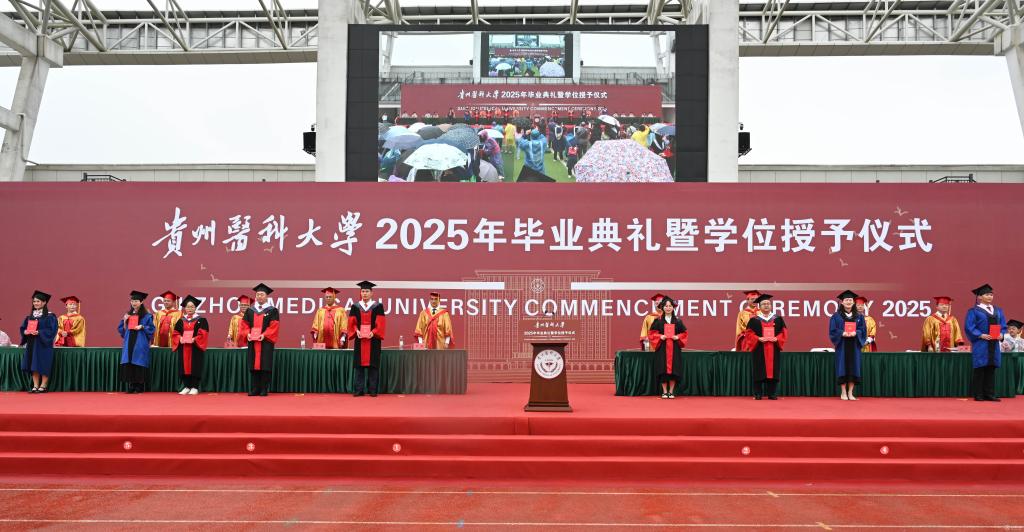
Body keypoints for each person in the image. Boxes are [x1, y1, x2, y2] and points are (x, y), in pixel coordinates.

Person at [964, 284, 1007, 402]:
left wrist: (1002, 334)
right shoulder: (974, 311)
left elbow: (1003, 326)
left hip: (994, 343)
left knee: (991, 368)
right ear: (979, 297)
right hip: (981, 343)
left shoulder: (998, 311)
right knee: (980, 368)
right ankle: (978, 394)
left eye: (991, 295)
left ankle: (990, 394)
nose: (990, 297)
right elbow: (969, 327)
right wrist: (980, 335)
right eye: (987, 294)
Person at [741, 294, 788, 400]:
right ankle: (758, 393)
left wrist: (777, 339)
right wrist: (758, 338)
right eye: (764, 304)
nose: (766, 305)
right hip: (759, 348)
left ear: (771, 306)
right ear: (759, 306)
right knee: (759, 370)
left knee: (773, 371)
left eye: (768, 304)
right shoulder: (754, 320)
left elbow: (783, 332)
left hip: (774, 348)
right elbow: (748, 334)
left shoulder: (778, 319)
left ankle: (772, 393)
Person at [239, 283, 279, 397]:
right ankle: (255, 388)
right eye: (258, 294)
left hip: (266, 342)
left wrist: (264, 335)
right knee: (253, 365)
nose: (259, 296)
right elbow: (244, 325)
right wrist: (247, 334)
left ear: (267, 296)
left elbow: (274, 326)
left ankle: (264, 389)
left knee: (265, 365)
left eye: (262, 294)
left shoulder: (272, 311)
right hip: (253, 341)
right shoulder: (250, 310)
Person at [348, 281, 386, 397]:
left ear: (371, 293)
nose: (364, 293)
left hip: (373, 340)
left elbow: (381, 323)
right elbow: (352, 323)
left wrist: (373, 332)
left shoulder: (378, 306)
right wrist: (356, 331)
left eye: (367, 291)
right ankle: (358, 390)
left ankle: (372, 390)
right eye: (363, 291)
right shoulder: (355, 306)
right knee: (359, 366)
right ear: (360, 292)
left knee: (373, 365)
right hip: (360, 339)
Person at [829, 290, 868, 401]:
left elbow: (863, 330)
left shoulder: (859, 316)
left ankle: (850, 392)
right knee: (842, 368)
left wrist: (857, 333)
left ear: (853, 302)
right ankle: (843, 392)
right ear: (842, 302)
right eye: (846, 300)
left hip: (854, 346)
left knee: (853, 368)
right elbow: (832, 331)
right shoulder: (836, 316)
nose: (848, 302)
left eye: (850, 300)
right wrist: (842, 333)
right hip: (842, 346)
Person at [647, 296, 688, 399]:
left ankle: (671, 391)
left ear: (673, 307)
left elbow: (684, 333)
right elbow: (651, 334)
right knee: (662, 369)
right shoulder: (658, 321)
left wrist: (677, 337)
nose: (668, 308)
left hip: (674, 348)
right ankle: (665, 392)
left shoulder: (678, 321)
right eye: (666, 306)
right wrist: (660, 336)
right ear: (662, 307)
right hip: (662, 348)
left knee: (674, 370)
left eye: (670, 306)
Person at [19, 290, 58, 393]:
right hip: (32, 343)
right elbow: (23, 328)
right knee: (33, 363)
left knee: (44, 363)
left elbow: (52, 330)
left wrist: (39, 332)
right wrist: (25, 332)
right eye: (34, 301)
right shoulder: (30, 316)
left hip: (44, 344)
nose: (35, 303)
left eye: (38, 301)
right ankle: (35, 385)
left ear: (44, 302)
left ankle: (43, 385)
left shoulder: (50, 316)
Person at [118, 290, 156, 394]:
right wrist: (124, 321)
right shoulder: (128, 314)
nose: (134, 303)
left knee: (138, 362)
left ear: (141, 302)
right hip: (129, 342)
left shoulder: (147, 315)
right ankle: (132, 385)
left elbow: (152, 329)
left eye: (136, 301)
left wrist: (142, 326)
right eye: (132, 301)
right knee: (129, 362)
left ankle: (139, 386)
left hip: (140, 342)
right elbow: (121, 330)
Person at [172, 295, 209, 395]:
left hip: (195, 348)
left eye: (192, 307)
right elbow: (175, 333)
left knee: (195, 366)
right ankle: (186, 386)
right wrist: (179, 338)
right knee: (184, 367)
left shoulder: (202, 320)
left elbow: (203, 334)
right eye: (188, 307)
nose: (190, 309)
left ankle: (194, 387)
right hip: (184, 347)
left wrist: (194, 339)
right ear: (185, 308)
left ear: (195, 307)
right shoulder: (181, 321)